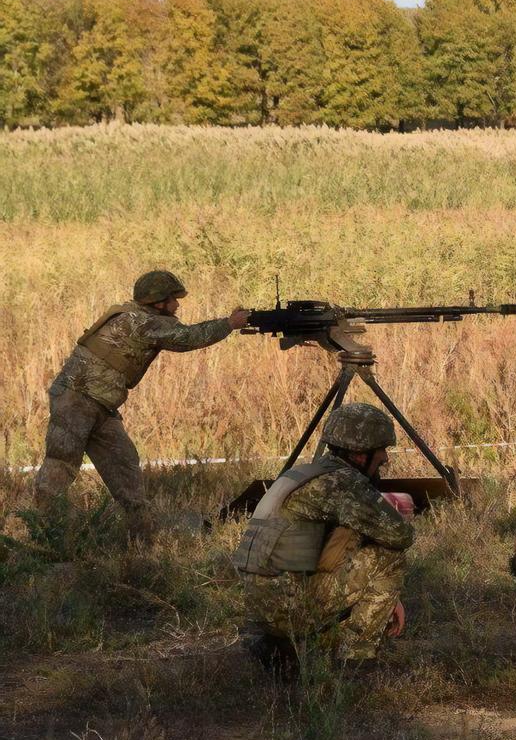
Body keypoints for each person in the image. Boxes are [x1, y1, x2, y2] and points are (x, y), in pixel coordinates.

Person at [32, 270, 249, 540]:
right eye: (173, 299)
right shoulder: (141, 323)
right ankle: (40, 533)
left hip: (99, 405)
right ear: (159, 302)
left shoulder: (138, 317)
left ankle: (143, 536)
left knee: (124, 464)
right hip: (77, 399)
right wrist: (230, 323)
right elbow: (188, 337)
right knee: (61, 464)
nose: (177, 305)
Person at [234, 402, 413, 676]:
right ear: (360, 454)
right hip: (289, 607)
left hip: (259, 606)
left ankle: (278, 648)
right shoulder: (341, 484)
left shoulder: (306, 473)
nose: (385, 459)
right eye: (381, 450)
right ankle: (355, 663)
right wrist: (389, 593)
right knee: (389, 557)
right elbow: (400, 535)